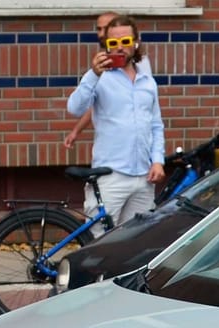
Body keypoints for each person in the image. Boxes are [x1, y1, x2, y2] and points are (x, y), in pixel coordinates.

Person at [65, 16, 166, 233]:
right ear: (106, 46)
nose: (120, 47)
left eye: (126, 41)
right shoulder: (100, 78)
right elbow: (75, 107)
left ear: (136, 42)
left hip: (144, 175)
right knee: (98, 239)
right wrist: (93, 75)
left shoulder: (147, 82)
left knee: (136, 240)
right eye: (113, 43)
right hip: (111, 175)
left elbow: (156, 125)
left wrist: (157, 160)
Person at [61, 12, 152, 153]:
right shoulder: (100, 64)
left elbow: (146, 105)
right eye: (99, 29)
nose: (101, 34)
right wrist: (77, 130)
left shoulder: (140, 66)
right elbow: (93, 103)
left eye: (105, 28)